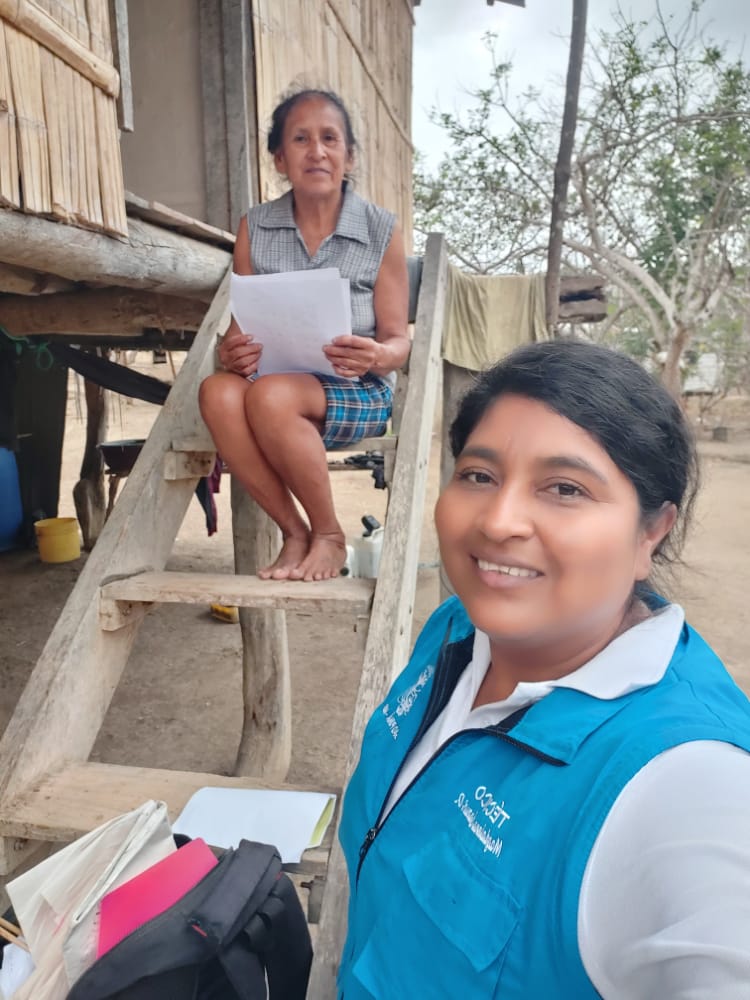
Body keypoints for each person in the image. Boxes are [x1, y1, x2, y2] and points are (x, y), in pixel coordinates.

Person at [338, 339, 750, 999]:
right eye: (479, 475)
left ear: (651, 532)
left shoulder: (686, 782)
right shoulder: (456, 631)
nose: (499, 521)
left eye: (565, 488)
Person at [199, 89, 409, 582]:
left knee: (271, 396)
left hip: (359, 389)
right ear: (280, 158)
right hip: (273, 388)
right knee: (216, 393)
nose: (317, 151)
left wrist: (377, 354)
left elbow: (399, 341)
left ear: (348, 156)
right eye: (300, 139)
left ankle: (330, 535)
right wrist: (233, 353)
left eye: (329, 138)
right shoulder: (255, 226)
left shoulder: (381, 230)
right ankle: (294, 533)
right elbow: (241, 328)